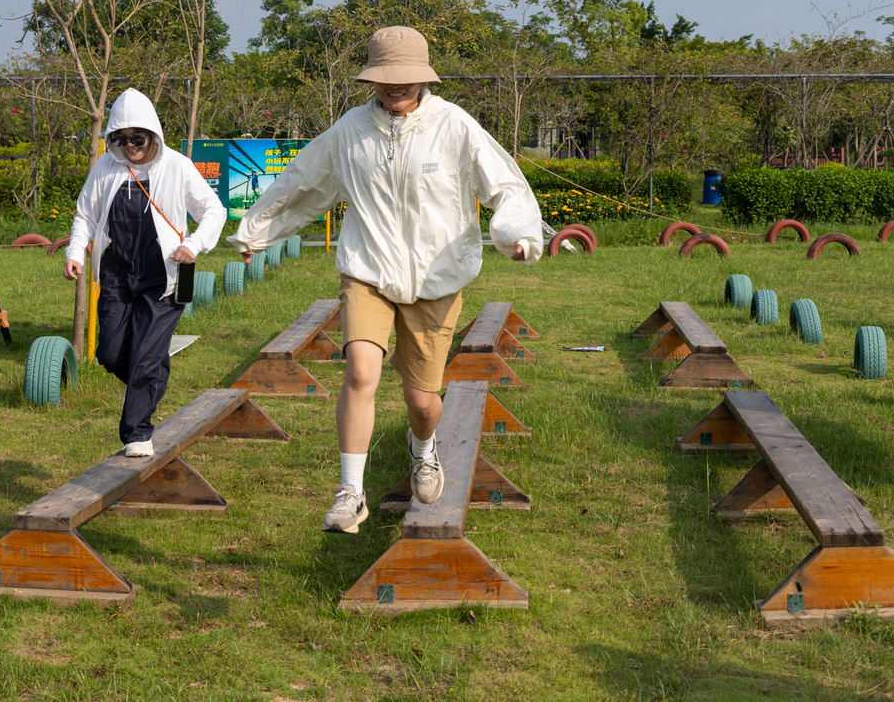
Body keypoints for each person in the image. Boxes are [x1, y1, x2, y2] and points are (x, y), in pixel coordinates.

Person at [228, 26, 542, 533]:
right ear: (371, 78)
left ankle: (424, 449)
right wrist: (255, 232)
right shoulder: (350, 130)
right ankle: (350, 492)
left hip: (436, 279)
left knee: (422, 399)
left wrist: (515, 233)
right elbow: (302, 183)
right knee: (360, 372)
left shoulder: (454, 126)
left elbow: (503, 185)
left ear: (422, 78)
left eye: (405, 78)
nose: (395, 87)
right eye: (385, 78)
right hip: (367, 269)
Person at [65, 88, 226, 457]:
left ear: (153, 134)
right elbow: (85, 215)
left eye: (137, 139)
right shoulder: (106, 167)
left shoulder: (178, 167)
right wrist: (76, 251)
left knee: (144, 359)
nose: (130, 146)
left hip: (165, 278)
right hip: (117, 276)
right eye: (121, 139)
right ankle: (153, 375)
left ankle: (136, 433)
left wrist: (194, 245)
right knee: (109, 354)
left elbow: (213, 211)